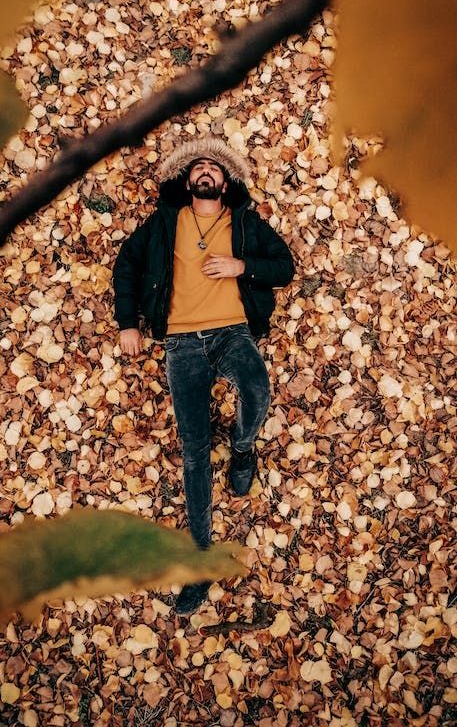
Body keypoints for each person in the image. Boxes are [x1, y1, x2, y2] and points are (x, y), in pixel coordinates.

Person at [112, 137, 295, 614]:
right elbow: (126, 266)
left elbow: (284, 267)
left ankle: (241, 448)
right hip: (179, 342)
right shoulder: (164, 223)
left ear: (226, 181)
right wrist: (128, 323)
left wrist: (241, 266)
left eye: (215, 167)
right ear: (188, 181)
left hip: (232, 332)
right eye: (198, 167)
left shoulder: (245, 223)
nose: (206, 171)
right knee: (193, 451)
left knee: (257, 387)